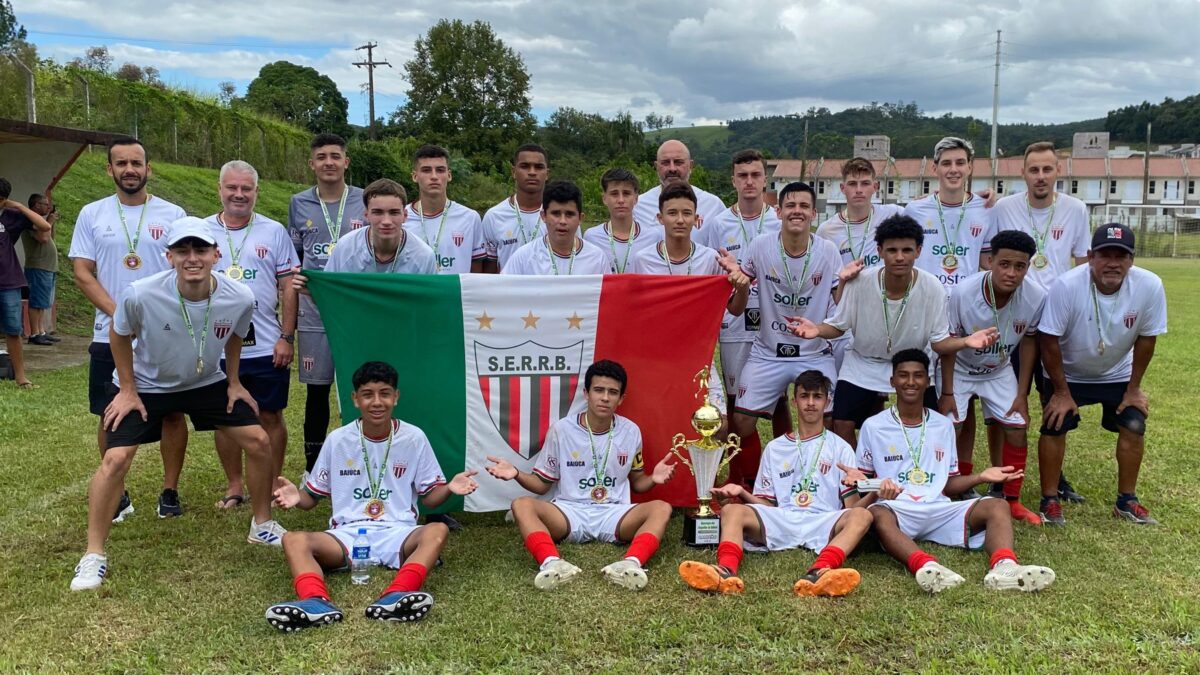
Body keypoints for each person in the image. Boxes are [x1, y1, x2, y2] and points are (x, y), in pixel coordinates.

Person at [70, 218, 286, 591]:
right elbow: (118, 335)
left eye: (200, 249)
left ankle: (262, 525)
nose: (192, 258)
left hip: (205, 382)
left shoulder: (240, 296)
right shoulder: (140, 293)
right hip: (149, 385)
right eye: (182, 251)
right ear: (168, 256)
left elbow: (236, 335)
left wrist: (233, 382)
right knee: (115, 459)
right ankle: (93, 556)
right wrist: (127, 388)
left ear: (216, 255)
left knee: (260, 441)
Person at [265, 361, 479, 631]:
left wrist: (448, 488)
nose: (377, 402)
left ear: (396, 397)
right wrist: (298, 497)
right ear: (355, 399)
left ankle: (397, 595)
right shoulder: (338, 439)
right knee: (293, 539)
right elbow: (311, 499)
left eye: (385, 393)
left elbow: (429, 499)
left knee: (436, 530)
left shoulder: (414, 438)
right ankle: (315, 602)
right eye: (367, 394)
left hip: (398, 532)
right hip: (346, 535)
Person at [786, 215, 999, 447]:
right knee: (842, 423)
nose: (899, 257)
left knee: (924, 425)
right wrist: (816, 329)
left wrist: (966, 342)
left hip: (911, 365)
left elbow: (939, 343)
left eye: (907, 250)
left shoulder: (933, 288)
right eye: (892, 250)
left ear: (918, 251)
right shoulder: (861, 282)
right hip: (863, 363)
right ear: (879, 251)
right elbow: (839, 325)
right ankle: (862, 477)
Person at [856, 349, 1056, 594]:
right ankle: (927, 566)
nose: (910, 382)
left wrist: (981, 476)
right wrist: (878, 488)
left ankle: (1005, 567)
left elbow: (947, 485)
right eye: (903, 375)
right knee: (877, 513)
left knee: (997, 505)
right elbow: (862, 481)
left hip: (939, 508)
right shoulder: (873, 426)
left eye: (918, 376)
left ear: (928, 382)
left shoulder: (942, 425)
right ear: (892, 381)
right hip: (897, 509)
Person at [68, 138, 190, 520]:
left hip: (164, 331)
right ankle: (117, 493)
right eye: (121, 163)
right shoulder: (92, 213)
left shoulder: (173, 214)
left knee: (172, 414)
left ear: (148, 169)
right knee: (110, 413)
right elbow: (82, 273)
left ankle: (169, 491)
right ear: (110, 169)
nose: (129, 169)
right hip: (109, 333)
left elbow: (184, 269)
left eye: (136, 162)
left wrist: (152, 318)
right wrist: (121, 316)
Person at [484, 360, 678, 591]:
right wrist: (516, 473)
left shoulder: (631, 431)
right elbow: (542, 484)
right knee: (522, 505)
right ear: (586, 393)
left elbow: (638, 482)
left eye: (612, 392)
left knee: (662, 507)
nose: (605, 397)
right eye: (598, 390)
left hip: (614, 512)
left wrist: (652, 479)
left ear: (621, 398)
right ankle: (553, 564)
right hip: (569, 511)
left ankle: (629, 564)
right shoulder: (562, 430)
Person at [679, 371, 872, 598]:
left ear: (827, 402)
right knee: (732, 509)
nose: (810, 403)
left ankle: (820, 571)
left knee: (863, 516)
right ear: (794, 400)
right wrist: (741, 492)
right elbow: (767, 505)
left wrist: (876, 493)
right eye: (804, 396)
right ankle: (725, 570)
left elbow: (852, 508)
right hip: (783, 517)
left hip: (823, 520)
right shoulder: (775, 448)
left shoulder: (841, 448)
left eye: (817, 397)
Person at [1037, 224, 1167, 526]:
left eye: (1121, 256)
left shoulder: (1150, 285)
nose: (1113, 263)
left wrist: (1134, 389)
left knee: (1134, 422)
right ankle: (1050, 499)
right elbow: (1049, 339)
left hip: (1116, 372)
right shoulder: (1067, 285)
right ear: (1090, 256)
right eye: (1105, 255)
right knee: (1055, 424)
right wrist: (1061, 392)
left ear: (1131, 261)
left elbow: (1147, 339)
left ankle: (1126, 500)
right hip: (1067, 373)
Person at [991, 141, 1092, 504]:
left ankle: (1056, 478)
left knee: (1053, 401)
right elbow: (991, 254)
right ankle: (999, 477)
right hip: (1016, 320)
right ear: (1023, 173)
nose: (1041, 177)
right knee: (1005, 400)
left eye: (1047, 169)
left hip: (1057, 323)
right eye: (1034, 170)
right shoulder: (1004, 207)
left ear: (1058, 172)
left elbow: (1082, 264)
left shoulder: (1076, 209)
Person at [726, 182, 843, 489]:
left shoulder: (828, 251)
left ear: (814, 214)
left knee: (827, 420)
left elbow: (842, 309)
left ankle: (818, 482)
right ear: (778, 211)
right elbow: (737, 311)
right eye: (790, 205)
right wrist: (739, 285)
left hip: (813, 352)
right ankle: (753, 482)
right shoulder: (761, 246)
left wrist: (846, 283)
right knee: (741, 422)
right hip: (767, 352)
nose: (797, 212)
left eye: (804, 206)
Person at [205, 160, 296, 509]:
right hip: (214, 345)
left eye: (246, 188)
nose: (239, 194)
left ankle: (273, 482)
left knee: (270, 415)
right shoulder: (201, 230)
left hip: (265, 345)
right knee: (225, 417)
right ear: (220, 189)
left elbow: (288, 286)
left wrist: (286, 336)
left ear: (257, 192)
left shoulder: (273, 231)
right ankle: (234, 484)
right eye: (232, 188)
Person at [940, 231, 1045, 524]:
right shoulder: (963, 292)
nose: (1011, 273)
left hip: (997, 371)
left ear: (1028, 267)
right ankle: (952, 491)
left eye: (1020, 266)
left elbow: (1028, 343)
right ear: (990, 261)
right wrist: (947, 391)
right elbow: (949, 343)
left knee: (1017, 427)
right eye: (1004, 264)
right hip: (959, 367)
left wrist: (1022, 394)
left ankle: (1010, 498)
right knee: (951, 426)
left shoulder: (1036, 296)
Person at [630, 182, 751, 419]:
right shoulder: (642, 260)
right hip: (658, 359)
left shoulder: (711, 259)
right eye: (672, 213)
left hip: (699, 359)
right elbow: (635, 314)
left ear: (697, 219)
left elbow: (735, 310)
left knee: (717, 424)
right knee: (657, 423)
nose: (679, 220)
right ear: (659, 218)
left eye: (686, 213)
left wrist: (742, 286)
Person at [286, 133, 366, 479]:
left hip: (358, 314)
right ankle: (312, 468)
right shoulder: (298, 203)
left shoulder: (365, 200)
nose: (329, 162)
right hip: (315, 312)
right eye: (322, 157)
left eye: (336, 156)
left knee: (364, 389)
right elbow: (295, 260)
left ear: (346, 161)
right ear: (312, 164)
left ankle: (365, 460)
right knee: (317, 392)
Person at [816, 158, 904, 372]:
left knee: (878, 389)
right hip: (846, 317)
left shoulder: (893, 214)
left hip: (882, 313)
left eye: (865, 183)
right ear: (842, 188)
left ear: (875, 187)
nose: (859, 190)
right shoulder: (827, 231)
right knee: (844, 382)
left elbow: (926, 207)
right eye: (853, 184)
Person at [294, 179, 437, 286]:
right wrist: (311, 287)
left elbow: (428, 304)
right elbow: (331, 292)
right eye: (378, 212)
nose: (386, 221)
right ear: (366, 215)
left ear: (405, 216)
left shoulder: (424, 255)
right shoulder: (345, 248)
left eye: (394, 212)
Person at [902, 137, 994, 291]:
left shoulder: (985, 209)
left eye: (960, 163)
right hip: (926, 300)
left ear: (969, 167)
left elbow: (987, 261)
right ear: (934, 168)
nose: (953, 169)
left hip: (965, 301)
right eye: (946, 163)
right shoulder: (914, 210)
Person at [0, 179, 51, 387]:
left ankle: (21, 377)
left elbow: (44, 225)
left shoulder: (13, 217)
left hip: (9, 280)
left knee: (13, 329)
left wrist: (19, 206)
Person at [501, 180, 613, 275]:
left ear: (580, 218)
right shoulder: (524, 258)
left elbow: (607, 297)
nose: (562, 221)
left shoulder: (597, 258)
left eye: (569, 214)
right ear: (543, 216)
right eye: (556, 213)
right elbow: (503, 293)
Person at [405, 144, 486, 274]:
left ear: (449, 175)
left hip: (454, 293)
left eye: (440, 170)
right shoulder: (401, 217)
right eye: (426, 170)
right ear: (415, 176)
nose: (434, 176)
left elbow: (476, 271)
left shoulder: (470, 217)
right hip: (415, 293)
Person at [633, 140, 726, 238]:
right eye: (665, 163)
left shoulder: (713, 205)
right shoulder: (638, 206)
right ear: (656, 166)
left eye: (678, 162)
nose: (672, 169)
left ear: (691, 165)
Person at [481, 144, 549, 272]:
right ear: (513, 172)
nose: (532, 172)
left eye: (539, 167)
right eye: (525, 166)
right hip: (508, 291)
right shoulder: (494, 216)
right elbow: (489, 272)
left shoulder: (562, 216)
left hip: (549, 291)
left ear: (547, 174)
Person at [583, 168, 655, 273]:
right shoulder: (592, 237)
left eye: (626, 193)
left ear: (636, 198)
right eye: (614, 194)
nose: (621, 200)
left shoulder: (652, 237)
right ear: (604, 198)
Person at [21, 193, 60, 346]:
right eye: (45, 204)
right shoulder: (31, 221)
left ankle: (42, 331)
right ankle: (34, 334)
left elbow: (50, 237)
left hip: (47, 267)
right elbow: (43, 239)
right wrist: (49, 221)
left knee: (43, 302)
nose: (48, 207)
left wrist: (51, 223)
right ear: (36, 205)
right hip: (38, 267)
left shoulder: (41, 222)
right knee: (36, 301)